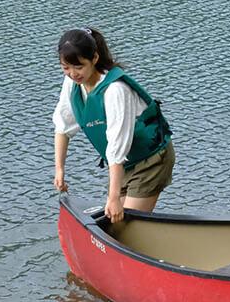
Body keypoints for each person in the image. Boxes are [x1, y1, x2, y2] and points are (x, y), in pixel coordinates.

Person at [53, 27, 175, 223]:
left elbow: (117, 146)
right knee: (114, 221)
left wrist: (113, 197)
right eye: (66, 67)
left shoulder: (115, 90)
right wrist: (59, 169)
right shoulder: (73, 83)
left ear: (94, 58)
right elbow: (63, 127)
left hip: (151, 160)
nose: (73, 74)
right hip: (125, 163)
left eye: (79, 67)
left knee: (125, 224)